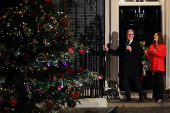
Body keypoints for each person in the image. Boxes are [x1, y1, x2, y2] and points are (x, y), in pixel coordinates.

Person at [103, 29, 143, 102]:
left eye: (131, 34)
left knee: (137, 83)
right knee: (125, 83)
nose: (129, 36)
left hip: (133, 67)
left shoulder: (136, 44)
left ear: (133, 36)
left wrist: (131, 50)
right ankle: (128, 97)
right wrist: (108, 50)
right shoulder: (123, 43)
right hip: (124, 67)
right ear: (126, 35)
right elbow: (117, 51)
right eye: (128, 34)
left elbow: (139, 55)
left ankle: (141, 97)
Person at [144, 32, 166, 102]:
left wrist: (156, 52)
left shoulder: (163, 46)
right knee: (154, 82)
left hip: (160, 66)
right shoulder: (151, 46)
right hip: (153, 66)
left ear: (159, 37)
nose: (154, 36)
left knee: (159, 82)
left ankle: (160, 97)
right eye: (154, 35)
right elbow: (148, 56)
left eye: (156, 35)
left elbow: (163, 55)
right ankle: (155, 97)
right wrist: (146, 53)